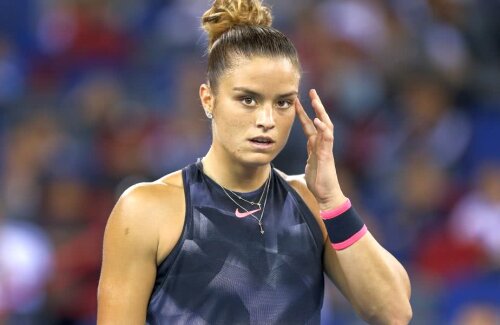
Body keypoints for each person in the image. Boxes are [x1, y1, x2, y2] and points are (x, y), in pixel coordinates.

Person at [97, 0, 412, 324]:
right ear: (209, 99)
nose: (266, 120)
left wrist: (333, 200)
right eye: (248, 99)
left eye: (283, 102)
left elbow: (395, 311)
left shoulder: (312, 203)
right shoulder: (146, 209)